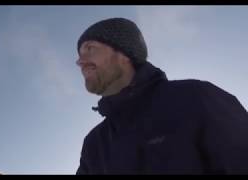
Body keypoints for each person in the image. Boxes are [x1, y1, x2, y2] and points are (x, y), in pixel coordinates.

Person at [75, 17, 248, 175]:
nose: (80, 61)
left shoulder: (195, 98)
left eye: (90, 49)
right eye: (79, 54)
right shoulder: (95, 144)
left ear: (124, 54)